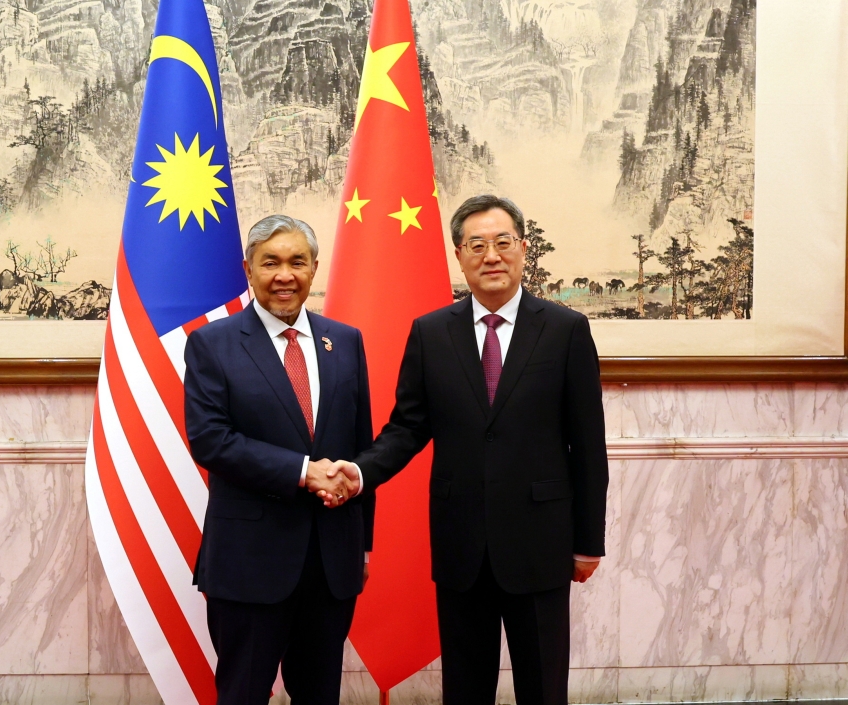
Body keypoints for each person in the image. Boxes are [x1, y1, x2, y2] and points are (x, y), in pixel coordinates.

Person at [327, 194, 609, 705]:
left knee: (544, 688)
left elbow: (588, 445)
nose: (491, 255)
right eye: (476, 245)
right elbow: (407, 428)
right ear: (459, 255)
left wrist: (589, 540)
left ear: (524, 249)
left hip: (541, 542)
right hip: (463, 546)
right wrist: (361, 471)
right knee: (465, 688)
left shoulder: (566, 330)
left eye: (503, 243)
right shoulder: (432, 333)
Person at [184, 214, 372, 705]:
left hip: (332, 563)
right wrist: (303, 473)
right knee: (243, 694)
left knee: (319, 694)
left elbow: (359, 446)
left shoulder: (345, 341)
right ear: (248, 269)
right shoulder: (213, 344)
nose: (284, 275)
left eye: (296, 262)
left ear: (314, 269)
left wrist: (363, 545)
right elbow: (210, 440)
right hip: (250, 562)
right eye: (270, 262)